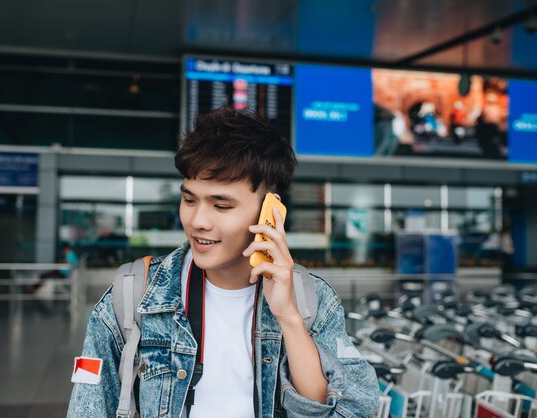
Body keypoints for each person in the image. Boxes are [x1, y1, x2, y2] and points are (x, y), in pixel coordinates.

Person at [67, 107, 379, 417]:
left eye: (221, 206)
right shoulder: (135, 294)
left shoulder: (313, 301)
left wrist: (289, 318)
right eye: (189, 200)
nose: (198, 221)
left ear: (269, 213)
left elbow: (351, 411)